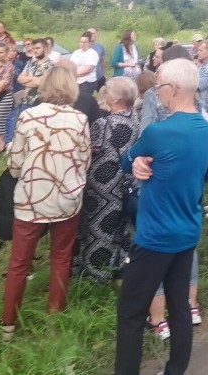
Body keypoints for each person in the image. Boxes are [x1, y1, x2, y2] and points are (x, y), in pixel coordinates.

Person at [114, 59, 208, 375]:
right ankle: (175, 369)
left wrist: (138, 160)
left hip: (155, 236)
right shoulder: (204, 128)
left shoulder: (159, 131)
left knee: (130, 312)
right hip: (187, 230)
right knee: (180, 305)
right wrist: (143, 162)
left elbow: (125, 160)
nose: (156, 94)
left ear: (172, 89)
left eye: (158, 87)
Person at [0, 67, 91, 341]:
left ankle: (8, 324)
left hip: (32, 197)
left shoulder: (28, 116)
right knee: (61, 258)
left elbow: (15, 162)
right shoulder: (80, 119)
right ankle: (54, 318)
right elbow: (85, 160)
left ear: (45, 86)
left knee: (19, 262)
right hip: (66, 197)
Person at [74, 77, 140, 283]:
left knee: (98, 229)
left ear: (116, 98)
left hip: (102, 188)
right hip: (127, 184)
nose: (103, 95)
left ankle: (96, 275)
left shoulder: (103, 124)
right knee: (121, 228)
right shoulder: (137, 119)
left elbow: (88, 151)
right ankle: (120, 267)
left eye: (107, 92)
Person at [71, 31, 100, 96]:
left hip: (87, 82)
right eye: (81, 42)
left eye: (85, 42)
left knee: (83, 100)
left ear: (89, 43)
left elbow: (88, 69)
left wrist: (73, 75)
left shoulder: (92, 53)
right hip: (76, 81)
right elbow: (71, 65)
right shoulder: (76, 52)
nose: (82, 44)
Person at [194, 40, 208, 110]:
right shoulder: (202, 66)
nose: (198, 53)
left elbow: (196, 85)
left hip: (203, 108)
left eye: (201, 50)